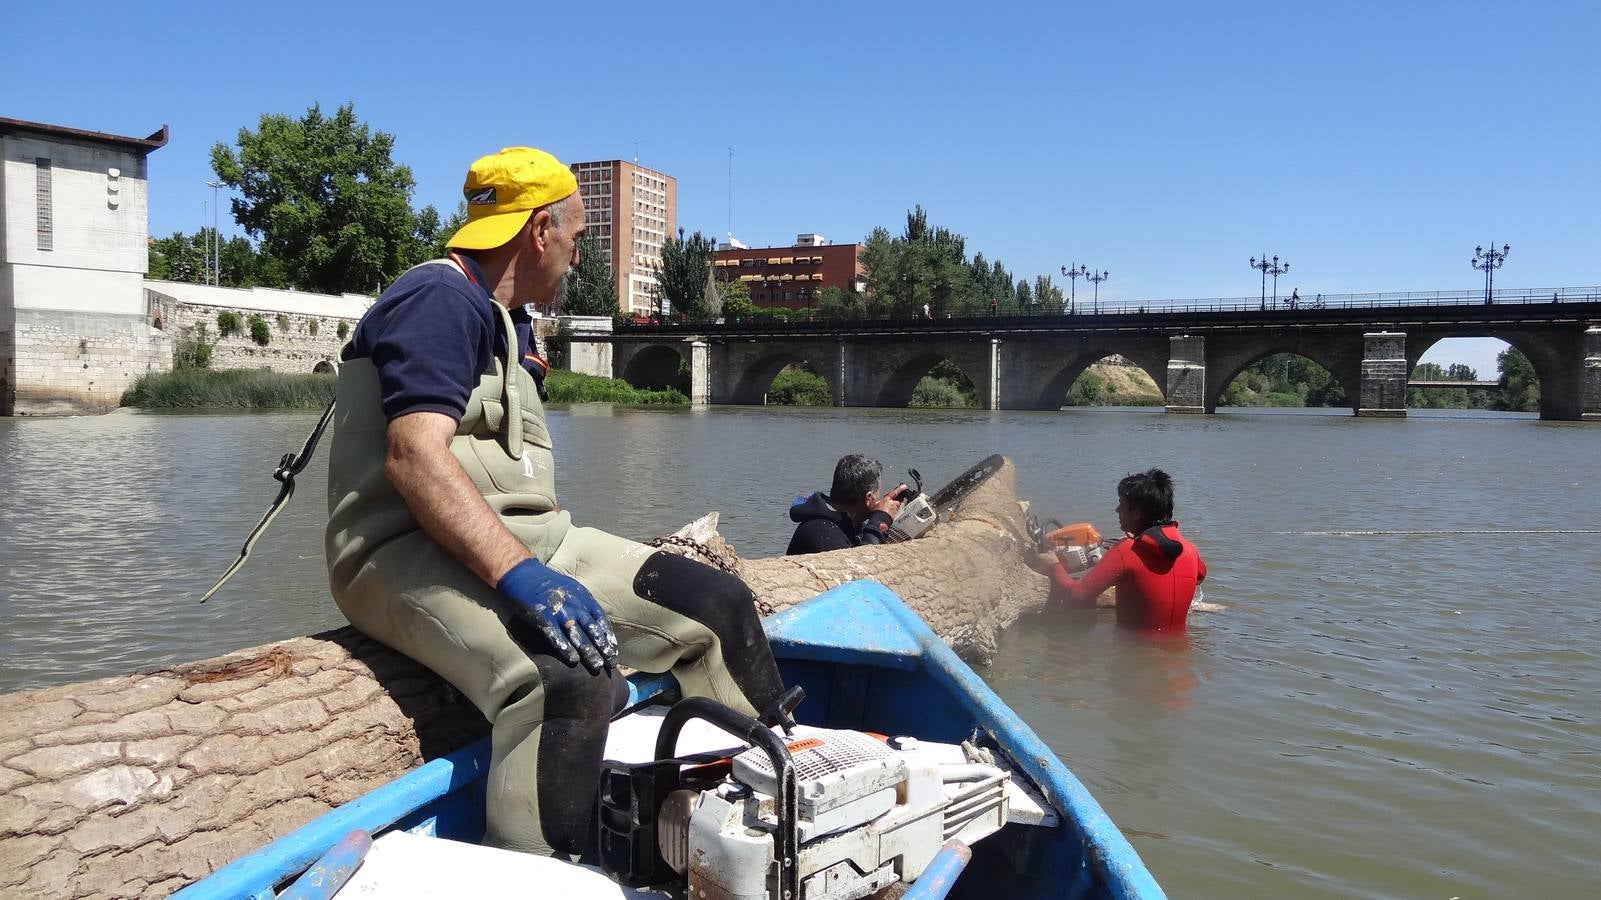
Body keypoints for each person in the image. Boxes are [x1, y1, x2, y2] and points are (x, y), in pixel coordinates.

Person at [324, 147, 791, 859]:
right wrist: (521, 577)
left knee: (718, 605)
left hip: (533, 538)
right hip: (399, 551)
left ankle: (777, 799)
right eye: (573, 239)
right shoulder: (437, 299)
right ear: (539, 230)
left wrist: (531, 560)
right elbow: (413, 455)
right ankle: (539, 869)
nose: (575, 258)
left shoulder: (504, 316)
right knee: (567, 683)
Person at [1028, 469, 1206, 631]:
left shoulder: (1126, 551)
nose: (1117, 509)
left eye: (1121, 504)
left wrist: (1054, 566)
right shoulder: (1190, 550)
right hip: (1180, 659)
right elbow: (1199, 575)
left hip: (1135, 655)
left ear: (1136, 513)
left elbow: (1076, 598)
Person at [786, 454, 907, 555]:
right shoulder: (821, 531)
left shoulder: (848, 523)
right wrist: (880, 519)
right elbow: (860, 570)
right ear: (869, 498)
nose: (879, 500)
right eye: (878, 495)